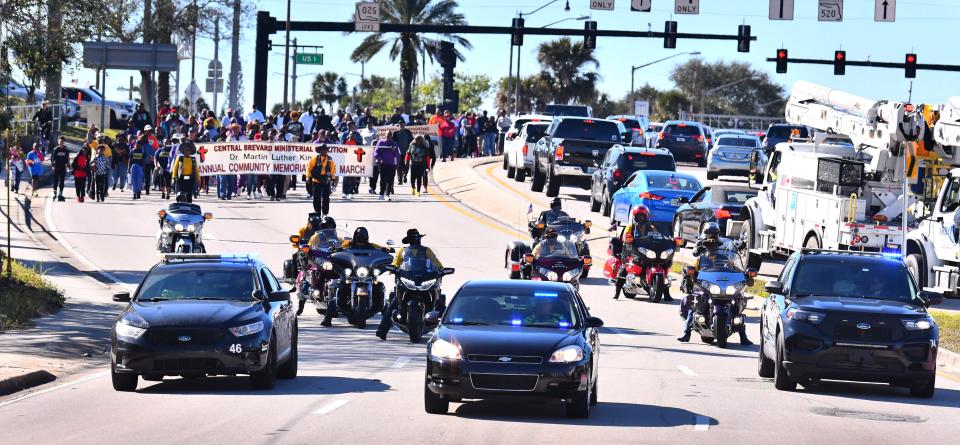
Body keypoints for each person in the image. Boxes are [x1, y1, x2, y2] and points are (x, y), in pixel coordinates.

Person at [678, 222, 751, 345]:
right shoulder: (701, 253)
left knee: (738, 300)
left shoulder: (725, 254)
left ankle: (743, 336)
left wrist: (741, 272)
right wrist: (691, 274)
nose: (712, 245)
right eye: (709, 241)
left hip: (721, 284)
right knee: (695, 302)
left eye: (715, 243)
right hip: (706, 283)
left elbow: (734, 264)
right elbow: (695, 260)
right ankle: (686, 333)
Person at [375, 228, 443, 339]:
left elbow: (437, 263)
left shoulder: (427, 251)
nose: (416, 240)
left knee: (440, 303)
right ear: (410, 240)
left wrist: (441, 271)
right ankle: (382, 330)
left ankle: (448, 330)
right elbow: (396, 264)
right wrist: (393, 269)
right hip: (406, 279)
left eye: (417, 238)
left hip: (424, 280)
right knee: (393, 304)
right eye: (414, 238)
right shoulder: (403, 250)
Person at [613, 205, 668, 300]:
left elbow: (658, 235)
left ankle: (667, 293)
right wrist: (628, 239)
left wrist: (664, 239)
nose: (641, 218)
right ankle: (617, 292)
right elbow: (625, 237)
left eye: (643, 215)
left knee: (663, 265)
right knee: (624, 267)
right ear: (635, 216)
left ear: (647, 216)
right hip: (631, 249)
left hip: (645, 249)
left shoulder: (651, 227)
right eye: (639, 215)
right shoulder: (631, 226)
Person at [306, 144, 336, 216]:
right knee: (316, 197)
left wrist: (333, 180)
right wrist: (308, 177)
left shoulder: (330, 159)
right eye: (323, 150)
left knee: (326, 197)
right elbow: (309, 168)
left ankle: (325, 213)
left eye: (325, 150)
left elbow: (333, 169)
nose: (324, 151)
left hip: (326, 180)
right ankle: (317, 211)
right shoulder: (315, 159)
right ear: (320, 151)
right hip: (316, 180)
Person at [374, 132, 400, 201]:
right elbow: (376, 152)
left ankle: (387, 195)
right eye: (387, 134)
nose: (389, 136)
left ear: (392, 136)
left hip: (391, 164)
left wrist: (397, 164)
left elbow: (397, 155)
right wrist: (378, 157)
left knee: (390, 180)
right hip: (383, 164)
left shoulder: (395, 144)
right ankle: (381, 194)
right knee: (383, 180)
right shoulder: (381, 142)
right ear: (385, 135)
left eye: (390, 135)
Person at [50, 137, 71, 201]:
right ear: (58, 142)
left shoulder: (66, 150)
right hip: (56, 167)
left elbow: (67, 158)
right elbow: (52, 158)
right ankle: (55, 193)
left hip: (63, 167)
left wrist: (68, 165)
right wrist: (52, 165)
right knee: (55, 181)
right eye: (60, 141)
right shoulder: (55, 149)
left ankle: (60, 194)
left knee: (62, 181)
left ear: (64, 142)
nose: (61, 142)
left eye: (62, 141)